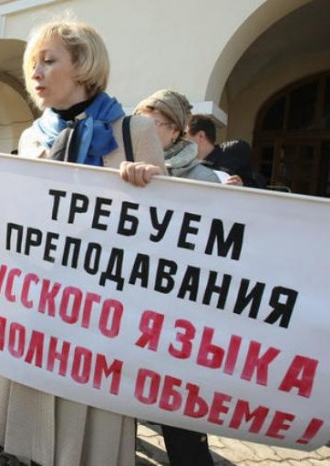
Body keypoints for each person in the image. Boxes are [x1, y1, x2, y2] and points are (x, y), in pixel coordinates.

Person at [0, 18, 166, 466]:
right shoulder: (31, 137)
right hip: (38, 307)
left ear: (83, 65)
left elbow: (167, 231)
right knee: (30, 439)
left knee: (87, 442)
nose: (36, 73)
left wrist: (152, 188)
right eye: (33, 63)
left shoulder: (134, 132)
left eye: (48, 61)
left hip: (101, 318)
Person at [134, 90, 217, 466]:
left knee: (179, 417)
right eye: (139, 121)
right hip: (130, 308)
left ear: (176, 130)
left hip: (176, 318)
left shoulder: (202, 179)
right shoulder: (122, 169)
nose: (144, 130)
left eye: (154, 123)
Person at [134, 90, 219, 184]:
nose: (144, 129)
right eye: (141, 122)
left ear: (175, 132)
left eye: (154, 123)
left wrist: (162, 181)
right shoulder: (124, 162)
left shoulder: (204, 179)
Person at [185, 114, 262, 187]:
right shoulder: (185, 165)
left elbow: (259, 186)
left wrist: (242, 186)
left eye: (185, 136)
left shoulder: (233, 154)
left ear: (201, 136)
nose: (180, 141)